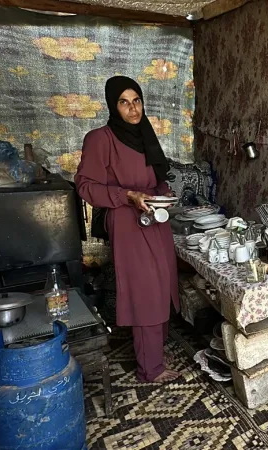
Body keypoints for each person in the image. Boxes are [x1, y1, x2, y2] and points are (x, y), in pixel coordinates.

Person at [75, 76, 180, 383]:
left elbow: (155, 179)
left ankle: (156, 350)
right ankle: (150, 368)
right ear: (113, 106)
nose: (133, 109)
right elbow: (85, 185)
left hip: (155, 218)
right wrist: (127, 195)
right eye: (124, 102)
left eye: (137, 101)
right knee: (145, 289)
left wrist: (163, 194)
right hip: (127, 222)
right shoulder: (101, 139)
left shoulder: (145, 134)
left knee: (163, 282)